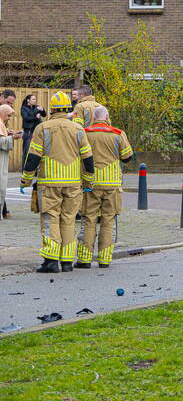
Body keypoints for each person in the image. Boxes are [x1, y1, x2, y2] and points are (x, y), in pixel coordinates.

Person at [20, 91, 94, 273]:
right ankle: (67, 262)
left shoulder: (42, 128)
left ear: (52, 109)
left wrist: (25, 180)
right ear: (68, 109)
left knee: (50, 220)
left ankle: (51, 261)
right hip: (73, 184)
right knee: (68, 220)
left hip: (49, 183)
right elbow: (88, 158)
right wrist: (88, 182)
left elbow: (33, 157)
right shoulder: (78, 129)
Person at [77, 106, 133, 268]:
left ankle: (84, 259)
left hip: (90, 183)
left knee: (88, 219)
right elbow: (127, 157)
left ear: (94, 118)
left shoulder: (85, 133)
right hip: (112, 184)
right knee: (109, 221)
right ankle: (104, 259)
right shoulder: (118, 133)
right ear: (107, 116)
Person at [0, 104, 23, 220]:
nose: (9, 118)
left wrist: (9, 134)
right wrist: (12, 138)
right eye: (8, 116)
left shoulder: (2, 124)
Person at [20, 94, 46, 167]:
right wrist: (36, 117)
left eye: (35, 99)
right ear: (28, 100)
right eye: (33, 99)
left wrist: (42, 110)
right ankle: (25, 169)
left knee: (37, 152)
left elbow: (44, 115)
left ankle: (35, 171)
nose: (35, 101)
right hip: (29, 133)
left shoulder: (37, 107)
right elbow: (26, 118)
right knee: (27, 152)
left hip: (37, 133)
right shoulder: (24, 108)